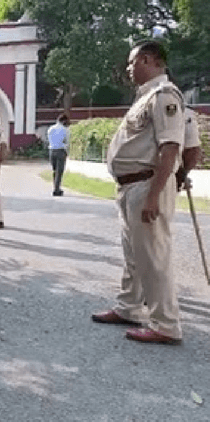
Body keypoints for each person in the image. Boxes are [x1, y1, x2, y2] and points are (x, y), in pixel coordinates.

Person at [92, 40, 185, 345]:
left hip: (147, 183)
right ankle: (129, 307)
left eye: (132, 62)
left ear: (147, 59)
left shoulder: (164, 96)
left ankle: (166, 324)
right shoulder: (145, 97)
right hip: (131, 185)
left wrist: (153, 196)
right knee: (134, 254)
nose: (129, 68)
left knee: (153, 257)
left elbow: (170, 148)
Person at [48, 114, 70, 196]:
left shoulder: (51, 129)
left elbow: (49, 139)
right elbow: (67, 141)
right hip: (60, 150)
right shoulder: (65, 130)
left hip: (52, 150)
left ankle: (55, 187)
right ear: (64, 121)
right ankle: (56, 189)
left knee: (54, 170)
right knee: (59, 171)